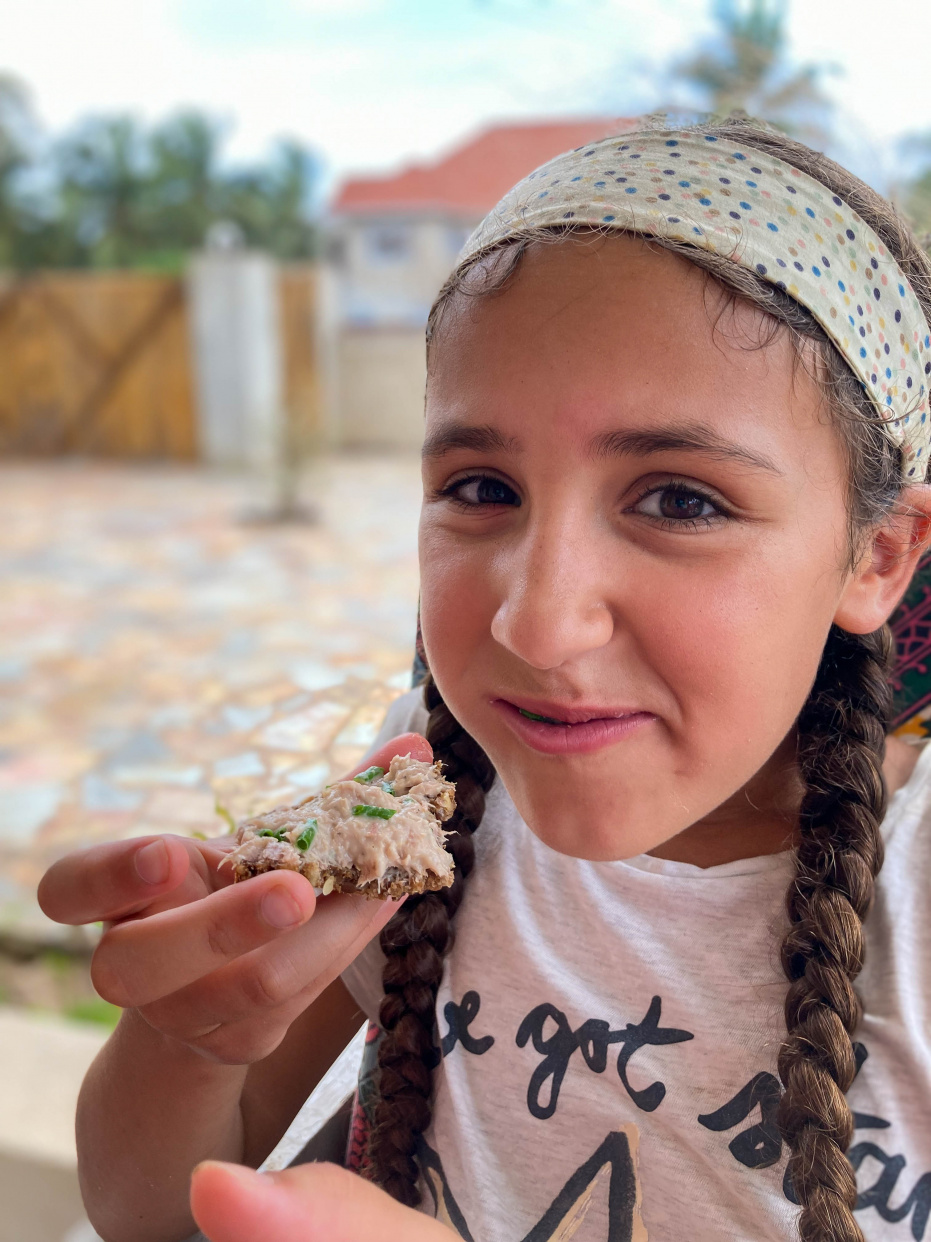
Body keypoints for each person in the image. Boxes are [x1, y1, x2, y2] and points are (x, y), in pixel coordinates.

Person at [38, 118, 931, 1242]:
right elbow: (148, 1211)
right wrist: (190, 1040)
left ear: (877, 555)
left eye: (680, 501)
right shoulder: (437, 783)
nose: (536, 624)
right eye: (481, 488)